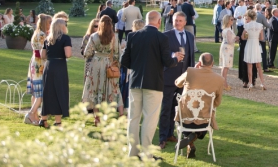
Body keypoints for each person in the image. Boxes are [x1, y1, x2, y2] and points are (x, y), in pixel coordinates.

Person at [121, 11, 183, 157]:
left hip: (135, 81)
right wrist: (176, 60)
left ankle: (133, 152)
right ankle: (147, 154)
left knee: (133, 118)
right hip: (154, 82)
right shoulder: (161, 37)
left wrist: (137, 66)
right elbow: (168, 61)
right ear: (159, 22)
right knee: (149, 118)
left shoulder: (133, 35)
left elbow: (124, 61)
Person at [173, 53, 225, 159]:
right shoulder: (219, 79)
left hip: (185, 117)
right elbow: (218, 103)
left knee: (183, 110)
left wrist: (193, 69)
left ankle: (189, 141)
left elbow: (177, 83)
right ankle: (194, 137)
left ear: (200, 63)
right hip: (203, 119)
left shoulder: (190, 72)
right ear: (212, 64)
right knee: (208, 114)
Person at [159, 12, 196, 147]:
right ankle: (162, 137)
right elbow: (161, 55)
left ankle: (171, 134)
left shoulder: (190, 36)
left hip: (184, 78)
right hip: (169, 77)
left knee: (178, 109)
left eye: (180, 21)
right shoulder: (165, 36)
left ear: (185, 22)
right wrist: (172, 54)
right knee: (166, 108)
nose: (178, 23)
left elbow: (191, 57)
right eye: (176, 20)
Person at [81, 15, 124, 123]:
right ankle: (115, 114)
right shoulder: (114, 37)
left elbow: (87, 52)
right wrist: (115, 64)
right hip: (109, 64)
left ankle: (97, 117)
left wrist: (96, 55)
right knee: (111, 89)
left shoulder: (94, 36)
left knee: (95, 90)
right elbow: (118, 54)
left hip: (95, 65)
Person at [40, 18, 72, 128]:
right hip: (59, 66)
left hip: (49, 66)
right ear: (62, 27)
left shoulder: (48, 39)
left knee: (48, 92)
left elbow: (43, 55)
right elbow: (68, 54)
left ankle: (43, 119)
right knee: (60, 91)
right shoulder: (65, 38)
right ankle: (58, 122)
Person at [25, 13, 51, 125]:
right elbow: (42, 53)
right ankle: (31, 114)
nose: (51, 24)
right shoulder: (42, 35)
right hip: (40, 64)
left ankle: (34, 116)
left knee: (36, 93)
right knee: (41, 92)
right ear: (46, 23)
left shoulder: (37, 33)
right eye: (50, 22)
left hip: (35, 61)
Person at [241, 10, 267, 90]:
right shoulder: (260, 25)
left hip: (249, 44)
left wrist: (248, 36)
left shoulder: (247, 25)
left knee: (250, 65)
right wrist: (256, 37)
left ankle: (251, 83)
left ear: (249, 17)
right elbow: (262, 38)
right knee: (259, 66)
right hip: (256, 45)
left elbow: (242, 37)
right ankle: (262, 83)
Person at [219, 15, 238, 90]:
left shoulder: (225, 29)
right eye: (231, 19)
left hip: (225, 47)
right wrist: (236, 39)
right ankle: (224, 84)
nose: (232, 21)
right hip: (228, 48)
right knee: (226, 66)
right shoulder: (228, 30)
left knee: (224, 66)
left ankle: (223, 82)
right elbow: (230, 41)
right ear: (227, 21)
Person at [81, 18, 101, 86]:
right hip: (90, 62)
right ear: (92, 27)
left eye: (99, 26)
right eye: (95, 26)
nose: (98, 28)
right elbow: (83, 51)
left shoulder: (103, 37)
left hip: (100, 63)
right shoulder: (87, 37)